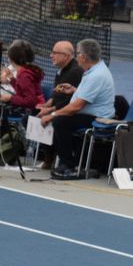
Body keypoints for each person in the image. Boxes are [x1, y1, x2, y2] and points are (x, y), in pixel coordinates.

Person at [41, 38, 115, 180]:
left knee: (60, 122)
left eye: (78, 53)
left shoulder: (96, 75)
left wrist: (52, 114)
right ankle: (60, 160)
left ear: (84, 56)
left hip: (97, 118)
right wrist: (74, 90)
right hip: (91, 114)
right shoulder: (94, 71)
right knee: (61, 120)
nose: (77, 57)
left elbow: (76, 107)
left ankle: (68, 165)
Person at [35, 41, 83, 169]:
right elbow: (57, 93)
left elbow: (71, 101)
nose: (51, 55)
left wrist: (51, 110)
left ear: (66, 56)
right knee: (31, 116)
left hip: (69, 110)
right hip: (57, 107)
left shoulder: (75, 72)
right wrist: (46, 104)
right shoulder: (60, 70)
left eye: (55, 53)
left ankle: (59, 158)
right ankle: (48, 154)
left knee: (57, 121)